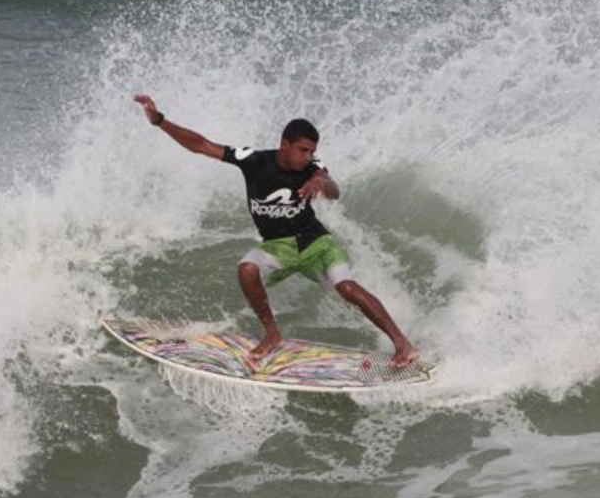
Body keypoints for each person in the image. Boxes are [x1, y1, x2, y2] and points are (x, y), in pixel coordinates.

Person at [133, 95, 419, 367]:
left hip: (316, 243)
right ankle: (272, 334)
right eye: (303, 150)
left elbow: (332, 187)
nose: (308, 157)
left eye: (312, 152)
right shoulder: (254, 161)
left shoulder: (313, 169)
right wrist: (160, 121)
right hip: (278, 245)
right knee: (247, 269)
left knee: (346, 287)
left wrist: (321, 182)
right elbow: (201, 145)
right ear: (285, 144)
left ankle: (402, 343)